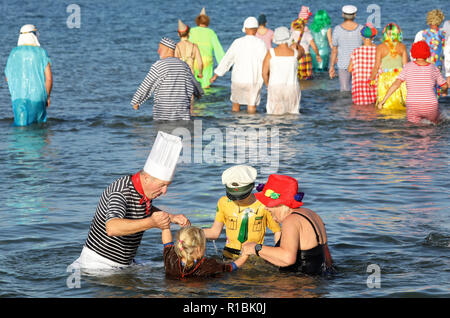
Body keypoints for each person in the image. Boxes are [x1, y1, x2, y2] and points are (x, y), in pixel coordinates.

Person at [70, 131, 191, 270]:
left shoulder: (143, 191)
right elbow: (112, 227)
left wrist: (171, 217)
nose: (165, 191)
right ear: (146, 178)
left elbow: (142, 209)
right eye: (162, 185)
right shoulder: (121, 191)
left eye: (167, 186)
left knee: (172, 270)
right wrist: (151, 222)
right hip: (99, 265)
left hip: (127, 263)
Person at [241, 174, 335, 276]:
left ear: (279, 203)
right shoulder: (312, 214)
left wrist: (256, 248)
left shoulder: (291, 221)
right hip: (317, 283)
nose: (266, 208)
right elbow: (328, 259)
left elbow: (287, 258)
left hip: (299, 285)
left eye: (268, 204)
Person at [203, 165, 281, 260]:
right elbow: (214, 232)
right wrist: (192, 232)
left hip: (254, 255)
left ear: (252, 187)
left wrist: (278, 255)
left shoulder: (263, 204)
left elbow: (277, 231)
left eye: (241, 196)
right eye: (233, 196)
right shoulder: (223, 202)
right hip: (229, 255)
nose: (237, 200)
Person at [131, 37, 203, 121]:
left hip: (163, 116)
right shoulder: (184, 66)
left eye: (160, 48)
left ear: (168, 49)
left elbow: (147, 84)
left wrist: (136, 101)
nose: (158, 51)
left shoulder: (159, 65)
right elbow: (196, 86)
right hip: (183, 116)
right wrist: (199, 94)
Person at [379, 41, 448, 124]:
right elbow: (444, 86)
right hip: (430, 104)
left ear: (413, 52)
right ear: (427, 52)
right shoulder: (433, 68)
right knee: (435, 124)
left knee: (412, 127)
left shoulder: (407, 67)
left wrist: (383, 100)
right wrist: (444, 91)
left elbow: (396, 84)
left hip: (412, 104)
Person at [210, 17, 267, 114]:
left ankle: (235, 124)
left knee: (236, 104)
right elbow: (266, 62)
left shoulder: (237, 42)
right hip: (253, 80)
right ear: (256, 29)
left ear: (245, 29)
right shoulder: (261, 43)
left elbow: (227, 59)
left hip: (238, 79)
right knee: (251, 106)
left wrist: (216, 74)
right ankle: (252, 125)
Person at [5, 24, 53, 126]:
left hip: (18, 98)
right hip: (39, 97)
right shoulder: (41, 52)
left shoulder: (13, 53)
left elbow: (7, 78)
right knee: (39, 130)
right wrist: (47, 96)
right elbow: (48, 78)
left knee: (20, 129)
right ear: (34, 35)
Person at [162, 226, 248, 279]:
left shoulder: (171, 256)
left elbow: (167, 243)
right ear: (199, 249)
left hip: (173, 286)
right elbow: (231, 267)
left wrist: (165, 226)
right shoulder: (207, 265)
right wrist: (245, 255)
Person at [262, 26, 304, 115]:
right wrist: (296, 44)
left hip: (275, 87)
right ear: (289, 37)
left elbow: (264, 73)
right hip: (292, 87)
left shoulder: (271, 53)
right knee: (293, 115)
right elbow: (302, 51)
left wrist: (267, 85)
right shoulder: (295, 53)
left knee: (274, 116)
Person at [369, 23, 408, 113]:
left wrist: (371, 79)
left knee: (385, 105)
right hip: (399, 78)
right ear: (397, 34)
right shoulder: (402, 47)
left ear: (385, 34)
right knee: (400, 104)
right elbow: (406, 66)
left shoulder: (380, 47)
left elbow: (376, 66)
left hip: (385, 79)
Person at [189, 7, 225, 89]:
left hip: (194, 61)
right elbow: (218, 50)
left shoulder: (191, 31)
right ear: (207, 22)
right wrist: (224, 65)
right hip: (207, 62)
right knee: (206, 86)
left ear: (197, 21)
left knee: (193, 86)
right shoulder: (211, 33)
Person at [329, 5, 363, 91]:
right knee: (358, 90)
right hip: (358, 64)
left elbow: (334, 50)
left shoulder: (337, 29)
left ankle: (344, 104)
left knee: (344, 90)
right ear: (355, 15)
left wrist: (332, 66)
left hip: (343, 64)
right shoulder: (361, 29)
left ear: (343, 15)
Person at [348, 23, 378, 105]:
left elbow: (350, 69)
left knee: (360, 110)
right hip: (374, 84)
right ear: (373, 37)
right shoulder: (378, 51)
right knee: (373, 108)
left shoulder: (356, 51)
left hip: (359, 85)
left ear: (362, 37)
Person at [291, 7, 322, 80]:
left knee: (296, 75)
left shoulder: (291, 33)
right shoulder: (307, 33)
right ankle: (307, 88)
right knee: (307, 76)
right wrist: (317, 55)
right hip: (306, 56)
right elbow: (314, 46)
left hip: (296, 55)